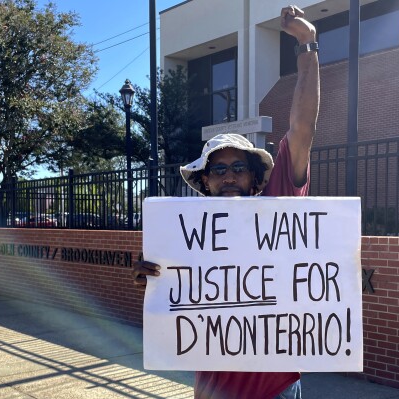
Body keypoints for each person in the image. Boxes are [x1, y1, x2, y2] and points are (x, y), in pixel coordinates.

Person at [132, 5, 319, 398]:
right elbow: (177, 310)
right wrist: (155, 278)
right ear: (204, 182)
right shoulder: (188, 237)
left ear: (255, 177)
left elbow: (302, 129)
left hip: (276, 388)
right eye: (218, 170)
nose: (229, 176)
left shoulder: (278, 203)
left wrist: (306, 46)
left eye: (238, 167)